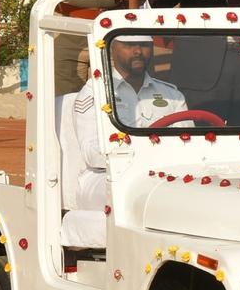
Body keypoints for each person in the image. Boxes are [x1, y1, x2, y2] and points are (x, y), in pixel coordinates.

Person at [72, 35, 187, 211]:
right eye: (129, 45)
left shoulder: (171, 94)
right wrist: (144, 151)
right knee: (144, 195)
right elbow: (92, 153)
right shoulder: (95, 92)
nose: (138, 51)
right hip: (107, 176)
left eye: (144, 45)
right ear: (112, 48)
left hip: (165, 172)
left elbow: (187, 144)